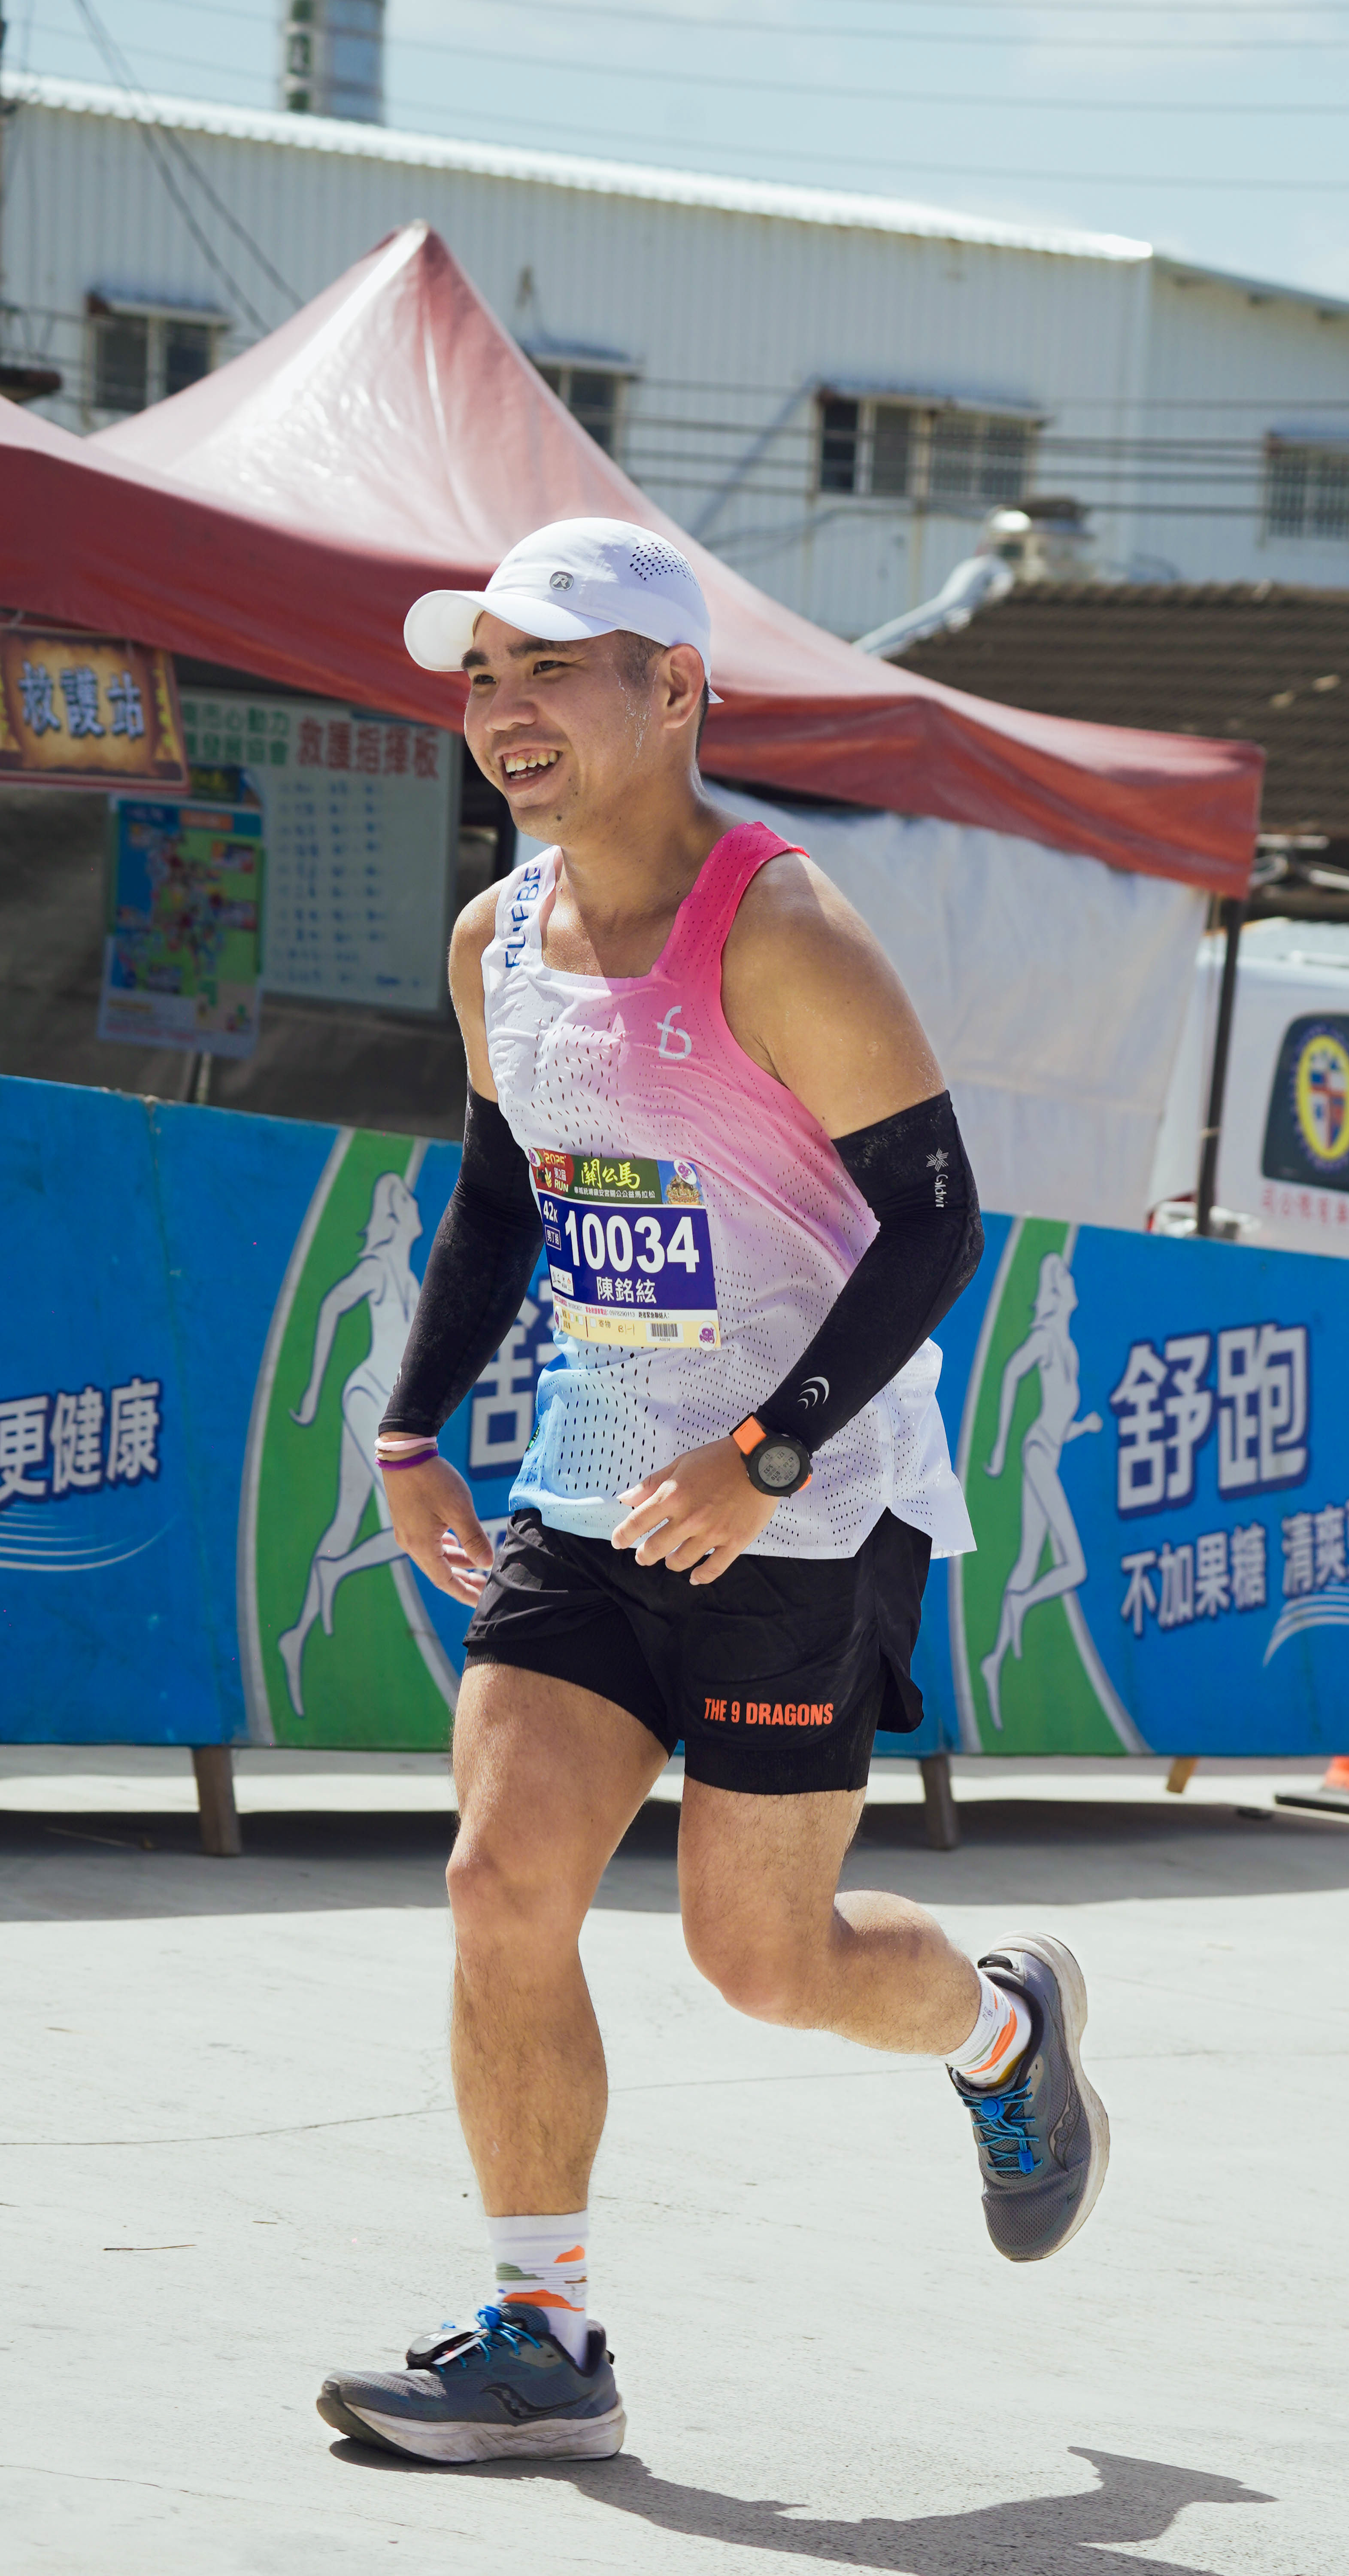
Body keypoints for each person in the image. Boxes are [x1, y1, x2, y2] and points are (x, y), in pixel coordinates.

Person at [317, 519, 1108, 2465]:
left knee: (762, 1959)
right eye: (482, 673)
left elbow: (936, 1223)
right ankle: (543, 2332)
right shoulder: (494, 938)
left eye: (550, 666)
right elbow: (503, 1192)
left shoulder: (779, 928)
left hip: (807, 1507)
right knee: (499, 1881)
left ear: (675, 689)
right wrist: (410, 1435)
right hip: (593, 1478)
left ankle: (1002, 2026)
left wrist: (764, 1454)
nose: (504, 708)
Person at [278, 1170, 423, 1716]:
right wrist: (313, 1389)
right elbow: (331, 1307)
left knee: (346, 1522)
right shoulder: (379, 1267)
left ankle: (296, 1635)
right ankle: (334, 1571)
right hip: (366, 1397)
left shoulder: (410, 1277)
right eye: (408, 1202)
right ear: (397, 1214)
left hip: (387, 1405)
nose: (418, 1210)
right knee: (410, 1527)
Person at [980, 1250, 1103, 1732]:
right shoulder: (1047, 1336)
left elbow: (1057, 1419)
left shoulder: (1068, 1347)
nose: (1070, 1285)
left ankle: (993, 1661)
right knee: (1076, 1566)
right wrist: (997, 1447)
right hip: (1035, 1453)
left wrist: (1082, 1428)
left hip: (1048, 1451)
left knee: (1029, 1561)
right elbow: (1012, 1374)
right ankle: (1022, 1604)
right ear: (1056, 1294)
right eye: (1062, 1279)